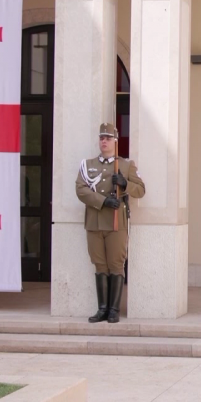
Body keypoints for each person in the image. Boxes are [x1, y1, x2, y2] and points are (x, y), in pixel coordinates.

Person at [75, 122, 145, 323]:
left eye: (107, 138)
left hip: (116, 223)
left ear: (115, 141)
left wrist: (125, 184)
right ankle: (102, 309)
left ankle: (114, 310)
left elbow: (141, 190)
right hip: (95, 222)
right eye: (101, 138)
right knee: (99, 265)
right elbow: (81, 190)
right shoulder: (88, 165)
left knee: (116, 264)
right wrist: (103, 201)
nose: (103, 141)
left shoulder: (126, 165)